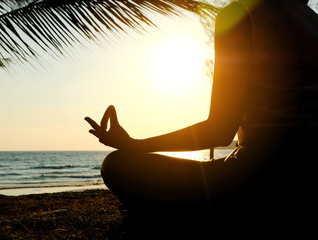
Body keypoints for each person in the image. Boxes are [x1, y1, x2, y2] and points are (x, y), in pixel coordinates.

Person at [85, 0, 318, 221]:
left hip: (259, 173)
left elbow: (218, 130)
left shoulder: (240, 14)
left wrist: (133, 145)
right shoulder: (313, 20)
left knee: (116, 165)